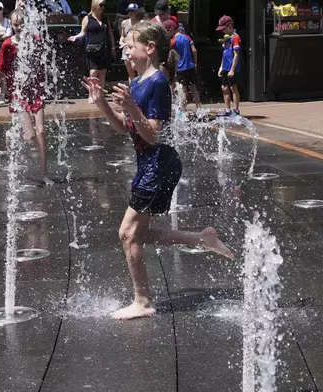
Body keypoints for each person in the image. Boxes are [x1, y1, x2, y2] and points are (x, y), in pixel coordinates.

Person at [81, 21, 234, 320]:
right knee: (140, 233)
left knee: (127, 234)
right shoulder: (137, 83)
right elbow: (125, 130)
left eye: (130, 44)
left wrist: (132, 109)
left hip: (160, 164)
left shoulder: (158, 82)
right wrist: (102, 104)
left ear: (149, 49)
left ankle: (144, 300)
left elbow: (152, 134)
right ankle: (201, 238)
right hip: (149, 163)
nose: (124, 48)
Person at [0, 12, 53, 185]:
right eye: (15, 25)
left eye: (22, 24)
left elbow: (45, 63)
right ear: (11, 25)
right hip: (18, 95)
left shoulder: (36, 41)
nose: (19, 27)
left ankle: (45, 174)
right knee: (29, 136)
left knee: (41, 132)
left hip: (36, 91)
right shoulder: (7, 45)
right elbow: (1, 68)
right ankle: (13, 135)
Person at [68, 0, 116, 104]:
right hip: (93, 49)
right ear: (94, 5)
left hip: (104, 48)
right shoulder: (87, 18)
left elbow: (110, 34)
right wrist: (76, 37)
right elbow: (83, 32)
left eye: (104, 5)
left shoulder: (105, 18)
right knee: (93, 72)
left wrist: (113, 48)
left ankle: (100, 95)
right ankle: (91, 94)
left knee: (103, 72)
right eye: (101, 5)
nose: (103, 7)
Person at [171, 22, 201, 110]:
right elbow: (194, 51)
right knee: (193, 88)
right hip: (190, 66)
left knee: (183, 90)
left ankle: (183, 112)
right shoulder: (187, 37)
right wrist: (195, 63)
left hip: (180, 68)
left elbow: (172, 55)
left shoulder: (173, 40)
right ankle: (199, 109)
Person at [216, 15, 241, 117]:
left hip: (231, 67)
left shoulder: (235, 37)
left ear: (230, 26)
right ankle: (227, 110)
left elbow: (236, 54)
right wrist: (221, 67)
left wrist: (232, 69)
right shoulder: (226, 38)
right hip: (225, 67)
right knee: (224, 88)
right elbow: (224, 53)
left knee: (233, 87)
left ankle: (236, 110)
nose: (222, 31)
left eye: (224, 28)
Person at [119, 3, 140, 84]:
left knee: (138, 70)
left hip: (136, 49)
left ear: (136, 12)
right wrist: (121, 41)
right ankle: (132, 91)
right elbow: (122, 36)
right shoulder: (124, 23)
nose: (130, 13)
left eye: (132, 11)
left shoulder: (140, 23)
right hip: (126, 49)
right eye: (129, 11)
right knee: (130, 72)